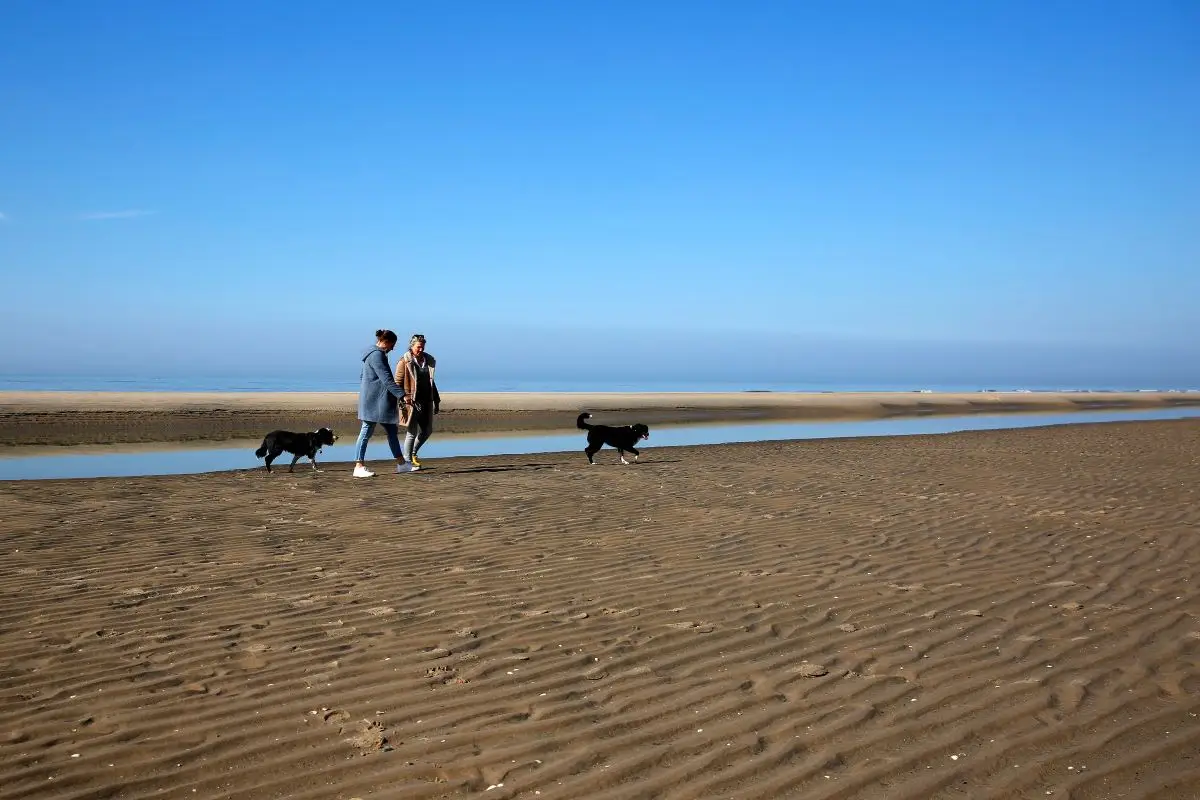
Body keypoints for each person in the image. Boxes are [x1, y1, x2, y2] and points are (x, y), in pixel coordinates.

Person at [353, 329, 415, 478]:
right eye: (392, 345)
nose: (392, 348)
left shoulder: (372, 354)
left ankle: (402, 464)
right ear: (386, 342)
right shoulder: (377, 355)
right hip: (374, 402)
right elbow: (387, 379)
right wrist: (403, 396)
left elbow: (363, 377)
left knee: (391, 431)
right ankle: (358, 466)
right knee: (366, 431)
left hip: (378, 401)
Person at [395, 333, 440, 472]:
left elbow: (431, 382)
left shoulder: (429, 361)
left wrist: (436, 401)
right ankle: (407, 462)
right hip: (411, 403)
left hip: (427, 401)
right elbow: (396, 383)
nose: (420, 349)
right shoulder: (404, 361)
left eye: (422, 346)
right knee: (411, 433)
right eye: (418, 347)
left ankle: (413, 453)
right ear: (412, 346)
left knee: (427, 431)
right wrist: (402, 397)